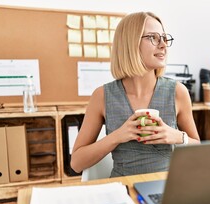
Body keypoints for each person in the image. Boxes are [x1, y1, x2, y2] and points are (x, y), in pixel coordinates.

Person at [71, 12, 200, 177]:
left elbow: (197, 148)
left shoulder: (178, 92)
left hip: (166, 189)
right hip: (122, 190)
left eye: (164, 38)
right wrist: (117, 136)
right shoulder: (102, 96)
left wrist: (177, 136)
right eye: (153, 37)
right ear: (130, 44)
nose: (163, 45)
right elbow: (76, 163)